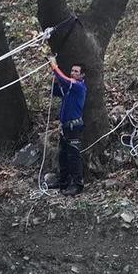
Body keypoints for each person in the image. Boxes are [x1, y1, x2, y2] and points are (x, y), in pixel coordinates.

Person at [48, 55, 87, 196]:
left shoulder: (79, 87)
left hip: (73, 127)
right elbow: (56, 90)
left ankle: (77, 185)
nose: (73, 73)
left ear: (82, 75)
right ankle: (63, 181)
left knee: (74, 156)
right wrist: (54, 75)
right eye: (72, 71)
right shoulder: (70, 89)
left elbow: (65, 80)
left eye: (76, 71)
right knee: (63, 155)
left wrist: (54, 66)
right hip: (65, 127)